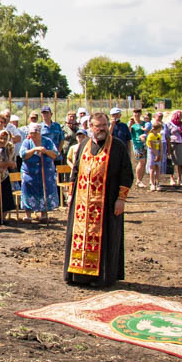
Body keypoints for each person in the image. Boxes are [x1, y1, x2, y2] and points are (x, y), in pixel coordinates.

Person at [64, 112, 133, 287]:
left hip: (107, 202)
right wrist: (71, 194)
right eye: (97, 126)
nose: (101, 129)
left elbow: (126, 173)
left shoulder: (117, 146)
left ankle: (101, 278)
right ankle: (79, 276)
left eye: (104, 125)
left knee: (105, 239)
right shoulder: (84, 145)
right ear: (91, 127)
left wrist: (121, 199)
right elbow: (76, 171)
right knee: (78, 237)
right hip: (81, 204)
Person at [19, 123, 59, 223]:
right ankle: (28, 215)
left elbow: (55, 155)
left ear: (39, 133)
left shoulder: (47, 141)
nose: (32, 135)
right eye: (31, 133)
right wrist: (34, 149)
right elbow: (23, 155)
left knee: (45, 191)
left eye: (35, 133)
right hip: (30, 174)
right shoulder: (27, 142)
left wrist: (45, 151)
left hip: (45, 173)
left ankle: (44, 214)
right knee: (28, 192)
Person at [166, 110, 182, 187]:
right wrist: (168, 146)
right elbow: (167, 135)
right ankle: (171, 178)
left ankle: (179, 178)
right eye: (179, 116)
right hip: (172, 143)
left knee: (180, 162)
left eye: (181, 117)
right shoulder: (169, 124)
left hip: (181, 144)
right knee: (172, 162)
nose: (180, 118)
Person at [129, 109, 148, 188]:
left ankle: (140, 179)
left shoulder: (144, 123)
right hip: (137, 144)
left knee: (144, 162)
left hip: (144, 144)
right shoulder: (132, 124)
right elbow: (128, 132)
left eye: (138, 112)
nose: (136, 114)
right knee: (141, 161)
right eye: (135, 113)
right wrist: (130, 125)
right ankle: (138, 180)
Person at [145, 121, 163, 191]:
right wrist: (156, 155)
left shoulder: (158, 135)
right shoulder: (150, 136)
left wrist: (161, 154)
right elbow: (152, 147)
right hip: (152, 152)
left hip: (157, 151)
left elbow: (160, 144)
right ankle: (152, 183)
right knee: (152, 169)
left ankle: (157, 183)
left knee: (158, 168)